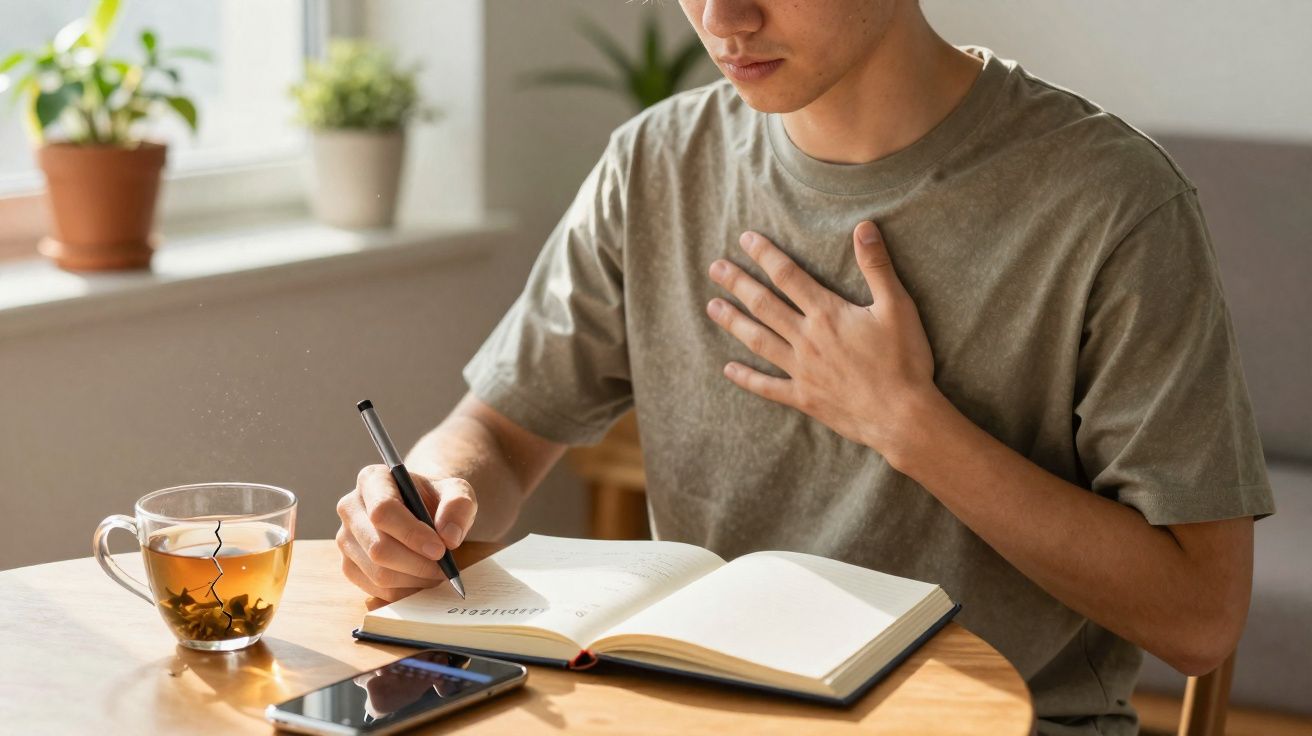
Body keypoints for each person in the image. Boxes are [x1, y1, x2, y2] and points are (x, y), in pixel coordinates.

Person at [335, 1, 1275, 733]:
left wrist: (911, 425)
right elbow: (498, 434)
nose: (723, 20)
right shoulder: (656, 163)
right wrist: (432, 494)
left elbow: (1199, 620)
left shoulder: (1113, 203)